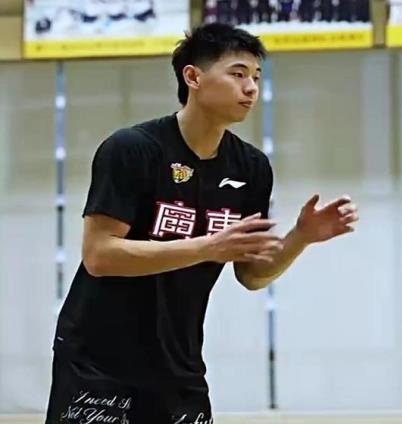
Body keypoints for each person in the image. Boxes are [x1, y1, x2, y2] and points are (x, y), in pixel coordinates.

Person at [44, 23, 359, 424]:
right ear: (192, 77)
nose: (251, 88)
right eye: (238, 74)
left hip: (179, 364)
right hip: (98, 360)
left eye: (256, 77)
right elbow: (99, 256)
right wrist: (207, 247)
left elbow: (251, 274)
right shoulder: (132, 149)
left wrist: (301, 237)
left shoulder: (251, 167)